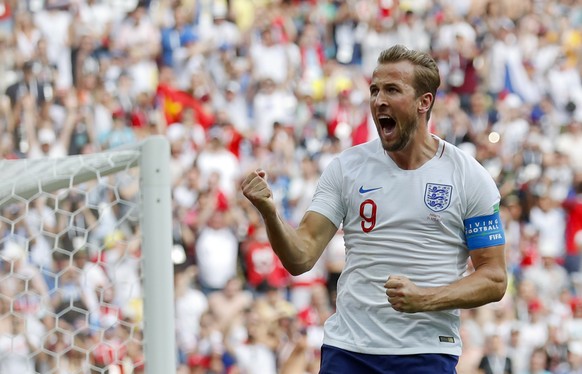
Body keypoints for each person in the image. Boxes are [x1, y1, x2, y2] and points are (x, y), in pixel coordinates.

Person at [241, 44, 507, 374]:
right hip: (349, 351)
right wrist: (269, 212)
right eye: (374, 89)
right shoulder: (346, 168)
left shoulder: (469, 177)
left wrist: (424, 299)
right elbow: (300, 257)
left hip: (424, 353)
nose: (378, 100)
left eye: (392, 90)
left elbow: (494, 279)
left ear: (424, 102)